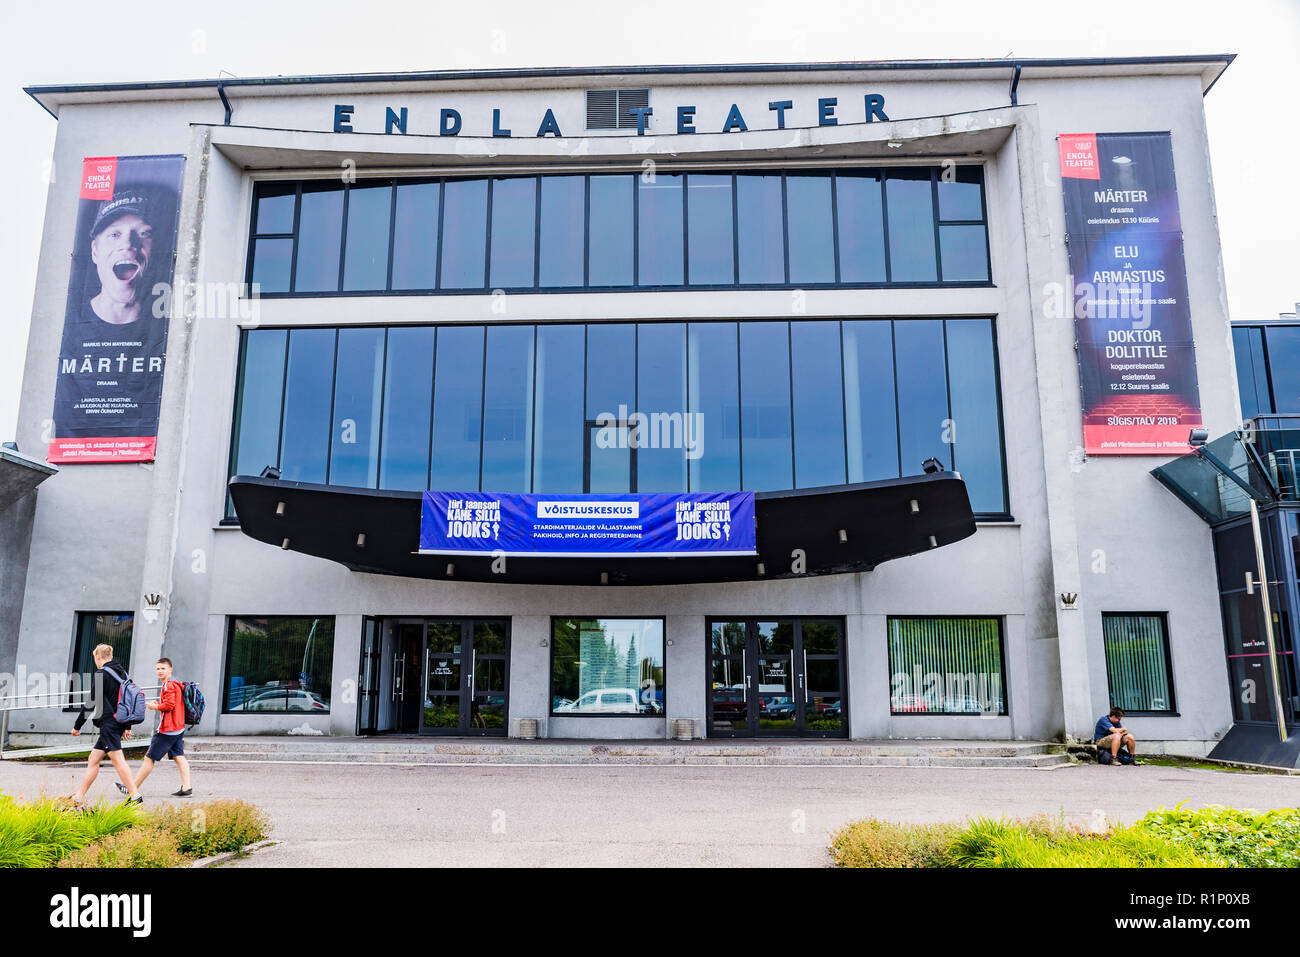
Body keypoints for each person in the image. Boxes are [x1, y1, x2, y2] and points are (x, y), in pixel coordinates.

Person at [69, 644, 142, 806]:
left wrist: (77, 726)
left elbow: (92, 701)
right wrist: (127, 726)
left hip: (109, 723)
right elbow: (128, 700)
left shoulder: (102, 673)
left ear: (98, 657)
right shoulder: (123, 673)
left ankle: (135, 796)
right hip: (119, 722)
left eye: (95, 658)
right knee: (94, 758)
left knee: (117, 759)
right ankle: (78, 797)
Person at [116, 658, 193, 798]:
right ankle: (187, 787)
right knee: (178, 756)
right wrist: (159, 704)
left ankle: (131, 788)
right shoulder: (175, 684)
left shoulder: (169, 685)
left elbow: (169, 706)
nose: (160, 671)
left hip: (168, 729)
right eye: (158, 668)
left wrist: (154, 706)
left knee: (149, 758)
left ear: (170, 669)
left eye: (163, 668)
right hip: (178, 727)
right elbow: (172, 704)